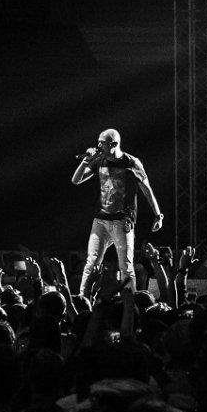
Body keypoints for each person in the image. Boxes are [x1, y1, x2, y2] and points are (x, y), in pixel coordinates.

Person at [71, 128, 162, 334]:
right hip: (100, 221)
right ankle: (82, 302)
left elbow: (147, 189)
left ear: (113, 144)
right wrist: (86, 160)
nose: (98, 145)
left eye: (101, 142)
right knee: (91, 262)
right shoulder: (98, 160)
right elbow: (76, 180)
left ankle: (131, 307)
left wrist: (158, 215)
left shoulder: (131, 163)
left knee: (126, 265)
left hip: (122, 220)